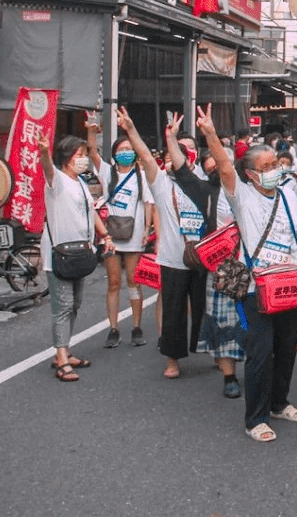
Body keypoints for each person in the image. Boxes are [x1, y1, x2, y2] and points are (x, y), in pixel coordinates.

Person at [198, 106, 297, 442]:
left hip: (289, 281)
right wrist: (211, 134)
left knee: (288, 346)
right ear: (250, 175)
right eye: (265, 168)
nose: (273, 171)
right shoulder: (241, 197)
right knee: (260, 351)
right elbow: (226, 167)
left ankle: (279, 402)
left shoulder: (289, 193)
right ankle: (256, 419)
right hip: (254, 287)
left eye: (275, 164)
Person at [117, 109, 206, 379]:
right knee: (173, 312)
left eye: (188, 149)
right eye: (176, 150)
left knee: (207, 309)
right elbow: (144, 156)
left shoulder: (205, 183)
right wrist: (131, 130)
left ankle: (214, 352)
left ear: (196, 156)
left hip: (204, 259)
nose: (181, 154)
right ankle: (172, 359)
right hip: (172, 259)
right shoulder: (161, 183)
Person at [169, 126, 243, 399]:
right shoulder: (206, 191)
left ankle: (261, 367)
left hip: (254, 263)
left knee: (256, 320)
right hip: (223, 267)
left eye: (222, 156)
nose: (217, 161)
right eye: (210, 158)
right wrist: (169, 139)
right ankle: (229, 376)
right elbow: (181, 172)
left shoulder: (251, 189)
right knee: (224, 320)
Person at [39, 133, 114, 381]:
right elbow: (47, 168)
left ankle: (65, 350)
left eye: (84, 155)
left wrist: (105, 235)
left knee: (75, 304)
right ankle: (61, 359)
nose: (83, 160)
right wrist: (43, 152)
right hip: (59, 254)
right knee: (62, 307)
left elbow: (90, 211)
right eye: (79, 155)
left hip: (81, 252)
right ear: (66, 158)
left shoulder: (80, 182)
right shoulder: (57, 181)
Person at [89, 116, 156, 349]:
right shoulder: (108, 173)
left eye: (129, 148)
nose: (126, 152)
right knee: (114, 283)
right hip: (110, 237)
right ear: (115, 152)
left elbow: (148, 203)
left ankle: (136, 326)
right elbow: (92, 154)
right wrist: (90, 129)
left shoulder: (141, 175)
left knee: (133, 281)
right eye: (122, 148)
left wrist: (147, 230)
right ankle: (114, 328)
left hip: (135, 235)